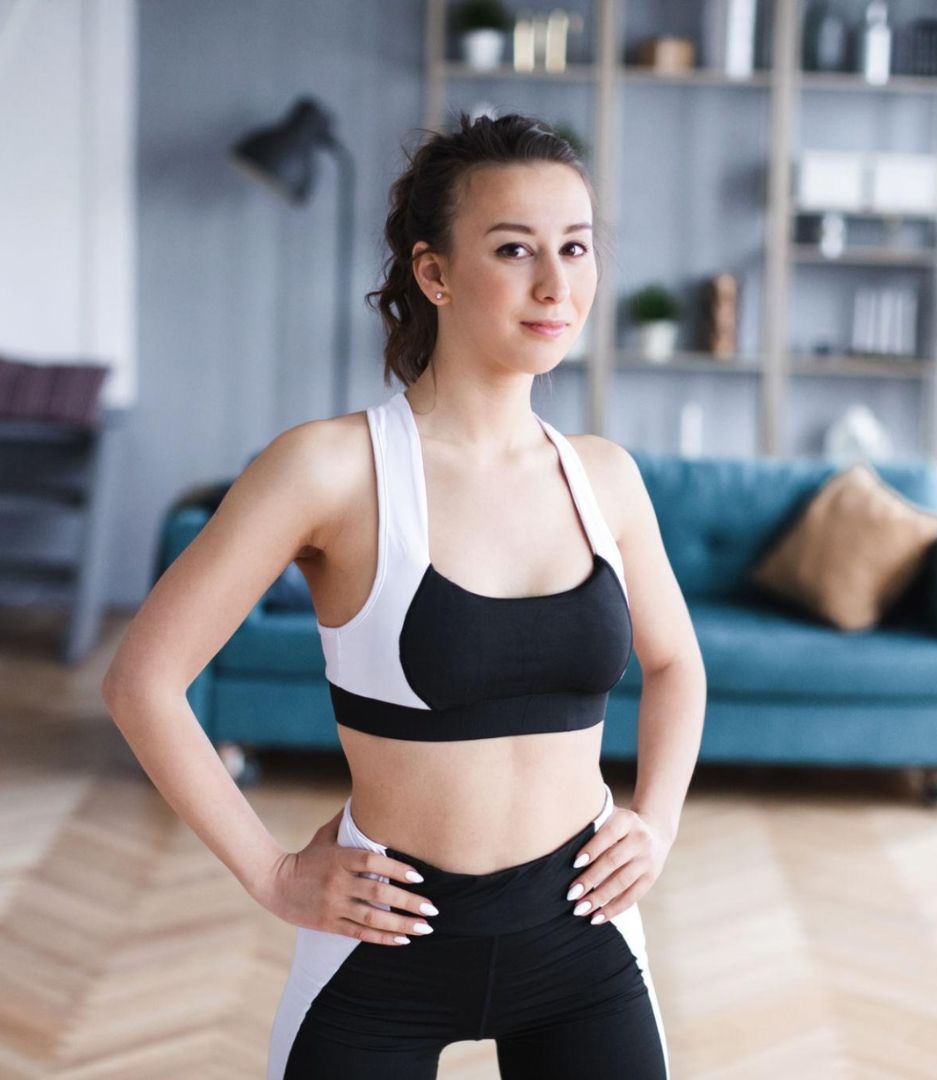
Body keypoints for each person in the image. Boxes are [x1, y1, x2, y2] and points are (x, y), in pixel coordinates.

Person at [102, 110, 706, 1079]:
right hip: (381, 949)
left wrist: (658, 819)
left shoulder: (606, 478)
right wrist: (270, 871)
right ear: (434, 273)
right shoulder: (328, 469)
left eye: (577, 248)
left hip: (583, 938)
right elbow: (143, 679)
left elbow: (675, 664)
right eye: (514, 249)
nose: (557, 284)